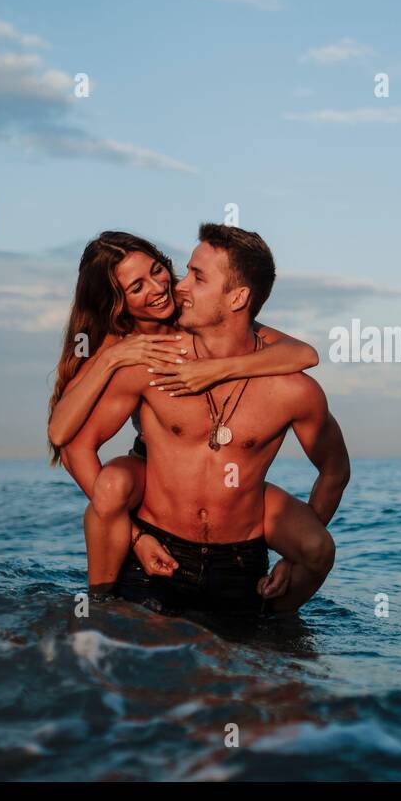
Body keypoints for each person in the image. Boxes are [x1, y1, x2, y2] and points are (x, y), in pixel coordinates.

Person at [63, 224, 349, 615]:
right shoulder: (149, 359)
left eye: (196, 277)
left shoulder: (294, 389)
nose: (176, 287)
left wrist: (293, 560)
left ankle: (276, 624)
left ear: (238, 297)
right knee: (126, 655)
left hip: (241, 565)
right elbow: (70, 440)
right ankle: (96, 612)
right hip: (157, 548)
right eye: (185, 271)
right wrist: (134, 537)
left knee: (316, 552)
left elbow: (334, 469)